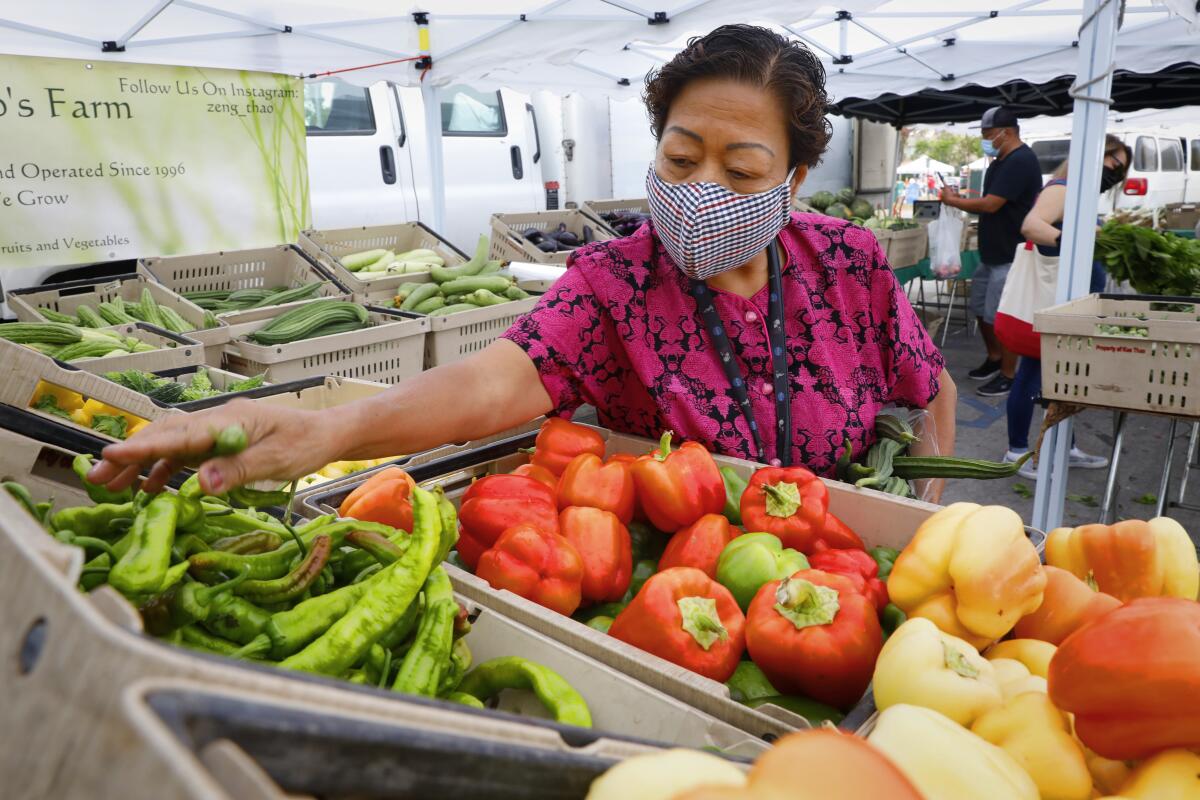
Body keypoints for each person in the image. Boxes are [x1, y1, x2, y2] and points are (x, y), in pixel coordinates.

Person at [89, 25, 956, 502]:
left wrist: (922, 518)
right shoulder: (616, 283)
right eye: (681, 159)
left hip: (843, 578)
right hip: (686, 607)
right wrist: (329, 431)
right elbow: (489, 386)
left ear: (796, 177)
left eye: (741, 172)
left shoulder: (846, 262)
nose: (701, 189)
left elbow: (930, 389)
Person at [1001, 134, 1131, 478]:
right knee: (1032, 374)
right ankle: (1016, 451)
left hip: (1070, 303)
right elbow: (1031, 226)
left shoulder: (1079, 192)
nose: (1115, 171)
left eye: (1121, 167)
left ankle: (1064, 446)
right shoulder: (1064, 187)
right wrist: (1070, 239)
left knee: (1065, 377)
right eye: (1112, 162)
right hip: (1054, 302)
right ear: (1094, 156)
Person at [940, 107, 1042, 398]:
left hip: (1011, 254)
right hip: (991, 253)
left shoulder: (1021, 161)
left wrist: (954, 201)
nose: (986, 140)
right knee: (981, 310)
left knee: (1002, 316)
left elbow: (991, 204)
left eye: (988, 135)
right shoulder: (1000, 161)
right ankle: (995, 358)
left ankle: (1009, 374)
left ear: (1006, 132)